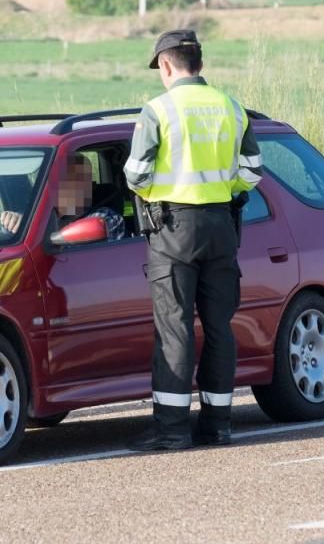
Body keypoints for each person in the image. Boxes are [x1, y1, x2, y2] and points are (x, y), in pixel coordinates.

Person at [124, 29, 263, 451]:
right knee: (220, 328)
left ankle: (171, 431)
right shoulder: (232, 108)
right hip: (222, 226)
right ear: (198, 64)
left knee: (175, 330)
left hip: (173, 229)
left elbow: (135, 175)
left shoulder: (158, 111)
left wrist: (155, 197)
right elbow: (253, 171)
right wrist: (224, 192)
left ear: (166, 65)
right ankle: (218, 426)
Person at [0, 153, 125, 240]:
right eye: (60, 180)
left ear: (90, 186)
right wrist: (12, 225)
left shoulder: (103, 218)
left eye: (78, 181)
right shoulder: (32, 217)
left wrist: (36, 233)